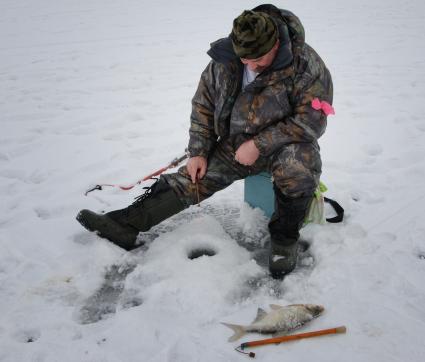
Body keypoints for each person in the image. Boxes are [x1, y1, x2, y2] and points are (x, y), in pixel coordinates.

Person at [76, 4, 333, 279]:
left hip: (288, 144)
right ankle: (126, 225)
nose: (250, 65)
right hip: (235, 144)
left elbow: (311, 121)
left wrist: (259, 145)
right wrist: (198, 150)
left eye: (258, 58)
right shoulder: (226, 61)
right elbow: (203, 106)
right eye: (244, 58)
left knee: (298, 168)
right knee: (195, 176)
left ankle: (284, 241)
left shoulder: (307, 65)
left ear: (276, 43)